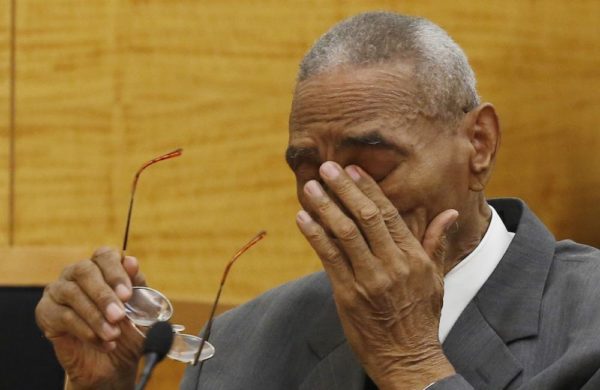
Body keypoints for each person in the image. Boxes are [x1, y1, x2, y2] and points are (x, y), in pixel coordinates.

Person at [35, 11, 600, 390]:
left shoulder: (587, 317)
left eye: (372, 162)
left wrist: (411, 364)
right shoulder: (236, 346)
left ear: (479, 144)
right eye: (307, 169)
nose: (333, 193)